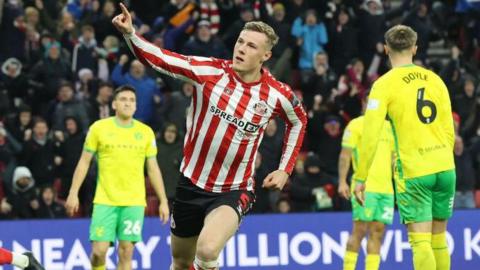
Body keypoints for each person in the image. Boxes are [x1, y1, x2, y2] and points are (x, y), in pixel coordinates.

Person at [112, 4, 307, 270]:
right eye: (240, 41)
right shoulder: (210, 72)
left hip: (234, 189)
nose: (241, 48)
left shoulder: (276, 94)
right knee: (181, 261)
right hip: (191, 184)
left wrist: (285, 169)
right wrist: (131, 34)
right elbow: (162, 58)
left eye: (251, 46)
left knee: (206, 250)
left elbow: (299, 120)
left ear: (266, 55)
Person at [354, 25, 455, 270]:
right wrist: (443, 158)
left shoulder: (384, 84)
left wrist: (361, 176)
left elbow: (371, 133)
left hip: (414, 170)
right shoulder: (436, 79)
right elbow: (450, 129)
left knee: (420, 241)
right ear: (415, 48)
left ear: (386, 49)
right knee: (439, 238)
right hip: (445, 166)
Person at [65, 85, 170, 270]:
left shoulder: (145, 132)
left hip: (133, 202)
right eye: (123, 99)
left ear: (136, 106)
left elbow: (153, 168)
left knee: (126, 251)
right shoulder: (99, 128)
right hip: (105, 201)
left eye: (131, 100)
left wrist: (163, 200)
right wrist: (73, 193)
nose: (127, 103)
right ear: (114, 104)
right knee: (98, 252)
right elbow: (84, 162)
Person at [339, 97, 395, 270]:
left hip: (386, 189)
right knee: (360, 230)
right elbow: (345, 155)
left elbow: (394, 159)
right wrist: (342, 182)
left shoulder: (389, 128)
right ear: (363, 104)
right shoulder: (355, 125)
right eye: (368, 102)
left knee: (378, 233)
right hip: (364, 187)